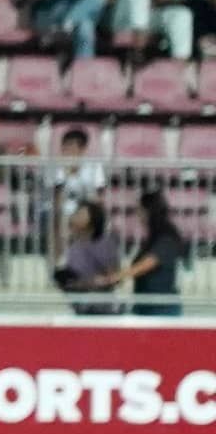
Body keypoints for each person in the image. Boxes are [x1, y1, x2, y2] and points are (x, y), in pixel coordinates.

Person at [98, 188, 183, 317]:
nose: (138, 214)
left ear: (149, 211)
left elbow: (147, 264)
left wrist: (116, 277)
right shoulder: (151, 239)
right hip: (145, 305)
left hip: (162, 308)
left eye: (140, 210)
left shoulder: (166, 239)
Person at [51, 199, 121, 315]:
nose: (75, 217)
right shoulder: (74, 245)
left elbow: (114, 277)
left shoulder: (104, 244)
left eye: (80, 214)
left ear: (93, 218)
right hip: (79, 305)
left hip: (100, 306)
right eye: (76, 213)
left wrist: (88, 283)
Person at [43, 126, 107, 222]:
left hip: (87, 209)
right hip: (63, 211)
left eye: (71, 146)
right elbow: (54, 195)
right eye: (65, 146)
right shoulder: (56, 167)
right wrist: (67, 173)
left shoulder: (95, 166)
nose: (67, 150)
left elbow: (100, 195)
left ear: (82, 149)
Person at [26, 0, 110, 58]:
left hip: (76, 13)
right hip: (48, 14)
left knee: (85, 29)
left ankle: (83, 75)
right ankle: (69, 23)